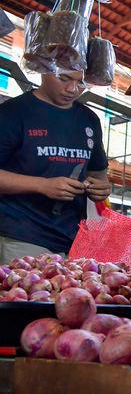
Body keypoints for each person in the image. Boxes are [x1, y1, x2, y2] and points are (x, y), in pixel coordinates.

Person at [0, 70, 111, 263]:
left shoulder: (89, 120)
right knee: (27, 291)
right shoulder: (13, 113)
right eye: (64, 78)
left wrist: (101, 188)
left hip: (74, 241)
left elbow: (99, 174)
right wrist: (42, 185)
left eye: (82, 82)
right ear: (45, 69)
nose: (72, 89)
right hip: (22, 237)